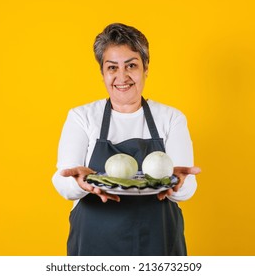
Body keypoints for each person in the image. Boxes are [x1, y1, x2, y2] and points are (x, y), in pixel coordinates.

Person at [52, 23, 201, 256]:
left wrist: (179, 185)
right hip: (95, 242)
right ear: (102, 73)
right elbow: (62, 181)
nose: (122, 77)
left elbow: (188, 186)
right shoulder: (82, 117)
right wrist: (78, 183)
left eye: (131, 65)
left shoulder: (171, 118)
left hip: (158, 241)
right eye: (112, 67)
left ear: (146, 69)